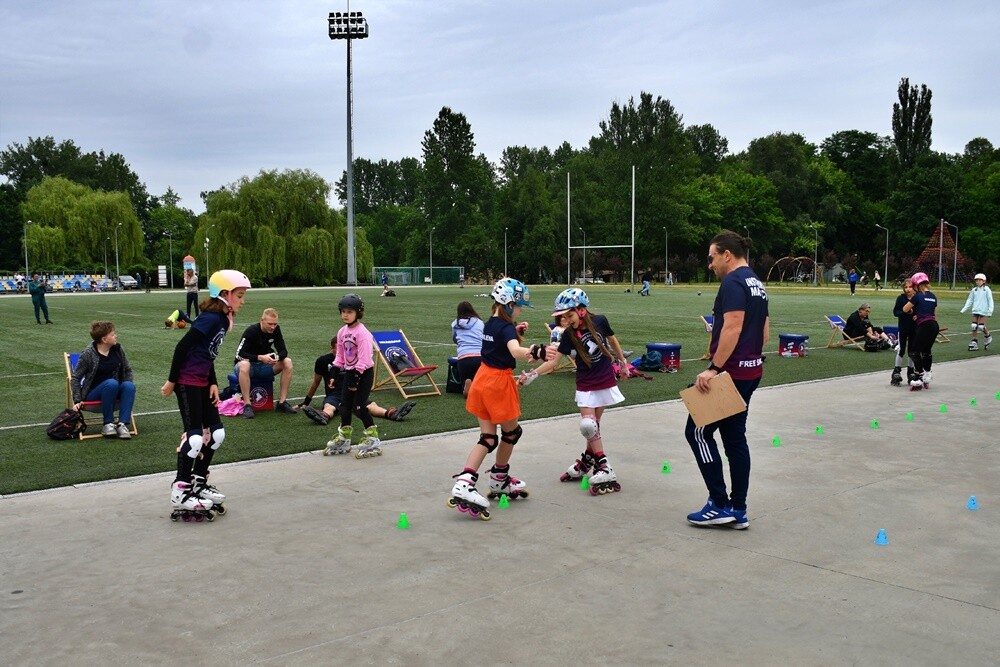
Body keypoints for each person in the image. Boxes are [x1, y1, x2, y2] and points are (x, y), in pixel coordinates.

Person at [684, 230, 769, 529]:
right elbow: (765, 333)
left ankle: (719, 503)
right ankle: (739, 509)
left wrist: (713, 368)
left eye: (712, 258)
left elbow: (733, 326)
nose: (710, 264)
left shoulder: (732, 282)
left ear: (727, 255)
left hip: (729, 374)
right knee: (735, 439)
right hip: (751, 370)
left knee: (697, 433)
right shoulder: (756, 282)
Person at [161, 269, 251, 519]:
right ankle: (180, 490)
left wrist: (213, 382)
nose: (243, 301)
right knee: (194, 439)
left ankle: (198, 481)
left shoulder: (222, 319)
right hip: (187, 382)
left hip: (202, 382)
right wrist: (172, 381)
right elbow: (183, 346)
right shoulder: (211, 319)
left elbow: (207, 353)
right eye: (240, 295)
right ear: (225, 294)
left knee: (217, 434)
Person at [448, 278, 540, 520]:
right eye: (518, 306)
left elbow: (500, 341)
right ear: (509, 304)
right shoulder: (506, 328)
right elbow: (513, 351)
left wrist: (516, 331)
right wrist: (533, 351)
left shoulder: (490, 323)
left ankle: (465, 482)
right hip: (498, 383)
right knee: (511, 433)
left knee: (488, 438)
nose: (519, 310)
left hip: (481, 380)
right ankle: (499, 478)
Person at [522, 287, 630, 495]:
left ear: (581, 310)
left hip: (604, 378)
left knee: (593, 428)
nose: (565, 320)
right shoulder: (569, 335)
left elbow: (613, 340)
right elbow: (553, 362)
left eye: (568, 315)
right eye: (563, 317)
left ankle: (587, 462)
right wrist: (533, 375)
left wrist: (623, 363)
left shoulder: (600, 320)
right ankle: (604, 466)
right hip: (585, 383)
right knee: (589, 427)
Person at [299, 337, 416, 425]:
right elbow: (315, 382)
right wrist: (306, 402)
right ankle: (323, 416)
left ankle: (390, 414)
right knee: (329, 406)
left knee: (371, 405)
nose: (343, 353)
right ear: (332, 349)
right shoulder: (323, 361)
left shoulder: (354, 359)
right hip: (335, 395)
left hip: (353, 392)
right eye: (338, 350)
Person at [322, 294, 383, 458]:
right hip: (350, 372)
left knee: (359, 407)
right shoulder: (342, 332)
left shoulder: (362, 333)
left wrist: (354, 379)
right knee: (344, 407)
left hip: (363, 373)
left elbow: (364, 360)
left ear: (358, 313)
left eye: (349, 311)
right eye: (343, 311)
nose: (345, 315)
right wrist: (334, 373)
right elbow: (340, 357)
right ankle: (345, 438)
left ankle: (373, 439)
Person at [70, 321, 136, 439]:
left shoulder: (118, 350)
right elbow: (75, 378)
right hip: (93, 394)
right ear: (104, 339)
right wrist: (76, 400)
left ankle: (122, 425)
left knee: (129, 386)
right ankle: (108, 424)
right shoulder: (88, 354)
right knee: (111, 383)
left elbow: (128, 370)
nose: (116, 336)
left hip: (114, 392)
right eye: (113, 334)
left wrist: (127, 383)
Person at [233, 308, 296, 417]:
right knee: (244, 364)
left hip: (265, 366)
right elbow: (239, 354)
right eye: (270, 324)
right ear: (262, 320)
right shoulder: (251, 331)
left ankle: (282, 403)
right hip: (248, 368)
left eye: (275, 324)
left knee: (287, 362)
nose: (273, 327)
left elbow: (283, 351)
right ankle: (247, 405)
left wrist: (276, 357)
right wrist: (260, 358)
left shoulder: (276, 330)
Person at [903, 272, 939, 390]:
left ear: (916, 284)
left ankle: (919, 375)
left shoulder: (917, 296)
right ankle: (927, 374)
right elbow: (934, 314)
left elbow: (905, 309)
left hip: (923, 326)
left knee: (914, 351)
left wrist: (913, 313)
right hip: (934, 325)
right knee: (926, 351)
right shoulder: (933, 296)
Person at [451, 300, 484, 396]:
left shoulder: (455, 324)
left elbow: (454, 339)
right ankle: (477, 387)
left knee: (465, 378)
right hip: (479, 355)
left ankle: (466, 385)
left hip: (464, 356)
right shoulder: (479, 322)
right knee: (480, 379)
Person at [890, 279, 918, 387]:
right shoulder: (901, 298)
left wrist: (917, 315)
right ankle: (897, 371)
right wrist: (905, 313)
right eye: (905, 287)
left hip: (914, 328)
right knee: (901, 349)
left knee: (912, 350)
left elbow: (920, 311)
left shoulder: (917, 298)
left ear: (914, 288)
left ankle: (911, 371)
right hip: (903, 327)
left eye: (910, 287)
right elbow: (895, 312)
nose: (907, 289)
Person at [961, 272, 994, 352]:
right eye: (977, 280)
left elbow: (990, 300)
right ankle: (974, 341)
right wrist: (964, 309)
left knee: (981, 326)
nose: (978, 282)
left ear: (984, 281)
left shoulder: (987, 290)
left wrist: (990, 311)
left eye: (980, 280)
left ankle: (988, 336)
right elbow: (970, 300)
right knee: (973, 326)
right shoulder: (974, 290)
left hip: (984, 311)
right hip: (975, 310)